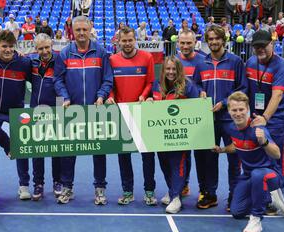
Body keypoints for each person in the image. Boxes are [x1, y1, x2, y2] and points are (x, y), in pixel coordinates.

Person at [212, 91, 284, 232]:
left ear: (247, 109)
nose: (238, 113)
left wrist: (264, 142)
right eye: (234, 110)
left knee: (258, 174)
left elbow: (277, 154)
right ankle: (269, 197)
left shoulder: (258, 129)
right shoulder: (231, 128)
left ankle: (256, 219)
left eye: (241, 109)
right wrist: (222, 149)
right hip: (248, 175)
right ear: (229, 111)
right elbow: (237, 145)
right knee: (237, 212)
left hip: (270, 174)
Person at [54, 16, 113, 205]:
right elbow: (58, 80)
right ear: (72, 31)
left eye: (84, 30)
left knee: (99, 151)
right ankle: (67, 188)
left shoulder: (101, 52)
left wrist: (102, 96)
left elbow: (108, 79)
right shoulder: (65, 54)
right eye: (77, 30)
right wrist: (65, 97)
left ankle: (100, 189)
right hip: (73, 111)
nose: (81, 33)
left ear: (90, 30)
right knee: (69, 151)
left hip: (96, 110)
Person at [193, 25, 247, 211]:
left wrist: (224, 103)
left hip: (231, 120)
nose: (214, 42)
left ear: (223, 40)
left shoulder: (236, 61)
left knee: (234, 158)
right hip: (208, 120)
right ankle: (210, 194)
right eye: (210, 39)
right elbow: (196, 85)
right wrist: (200, 91)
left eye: (217, 38)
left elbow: (242, 88)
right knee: (209, 158)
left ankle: (234, 195)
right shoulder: (201, 63)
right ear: (207, 42)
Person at [0, 30, 32, 199]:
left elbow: (40, 78)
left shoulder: (24, 63)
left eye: (11, 46)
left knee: (22, 147)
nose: (7, 50)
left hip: (16, 110)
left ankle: (24, 186)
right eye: (4, 46)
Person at [107, 26, 156, 206]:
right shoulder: (112, 60)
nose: (127, 44)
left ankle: (149, 191)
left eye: (130, 40)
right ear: (118, 41)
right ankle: (127, 191)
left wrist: (143, 95)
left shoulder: (147, 57)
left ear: (135, 40)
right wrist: (111, 98)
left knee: (147, 155)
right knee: (123, 156)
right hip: (121, 113)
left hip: (143, 112)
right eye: (124, 41)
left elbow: (150, 81)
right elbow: (110, 85)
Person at [151, 56, 199, 213]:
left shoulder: (188, 87)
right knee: (164, 164)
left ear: (179, 70)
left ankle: (176, 197)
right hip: (160, 136)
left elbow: (196, 108)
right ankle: (172, 190)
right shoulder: (157, 86)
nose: (171, 72)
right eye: (168, 69)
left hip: (180, 137)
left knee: (177, 164)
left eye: (174, 69)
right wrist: (149, 101)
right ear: (163, 70)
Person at [245, 30, 284, 189]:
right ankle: (260, 193)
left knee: (276, 158)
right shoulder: (250, 62)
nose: (260, 49)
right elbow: (245, 91)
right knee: (257, 157)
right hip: (255, 118)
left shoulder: (281, 65)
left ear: (271, 44)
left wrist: (265, 118)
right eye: (257, 46)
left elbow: (277, 95)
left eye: (263, 45)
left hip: (276, 120)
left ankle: (277, 194)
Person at [29, 33, 62, 200]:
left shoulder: (60, 62)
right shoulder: (31, 63)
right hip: (36, 110)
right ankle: (38, 184)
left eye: (47, 47)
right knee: (38, 150)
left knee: (56, 149)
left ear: (52, 46)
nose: (44, 51)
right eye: (40, 48)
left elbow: (65, 84)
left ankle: (58, 181)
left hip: (56, 110)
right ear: (36, 49)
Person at [175, 30, 206, 201]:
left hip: (199, 115)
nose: (185, 46)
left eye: (189, 43)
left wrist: (201, 92)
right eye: (182, 43)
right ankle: (183, 185)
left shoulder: (203, 60)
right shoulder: (174, 61)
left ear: (195, 42)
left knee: (201, 156)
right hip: (179, 116)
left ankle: (204, 189)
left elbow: (204, 84)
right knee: (182, 155)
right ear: (178, 43)